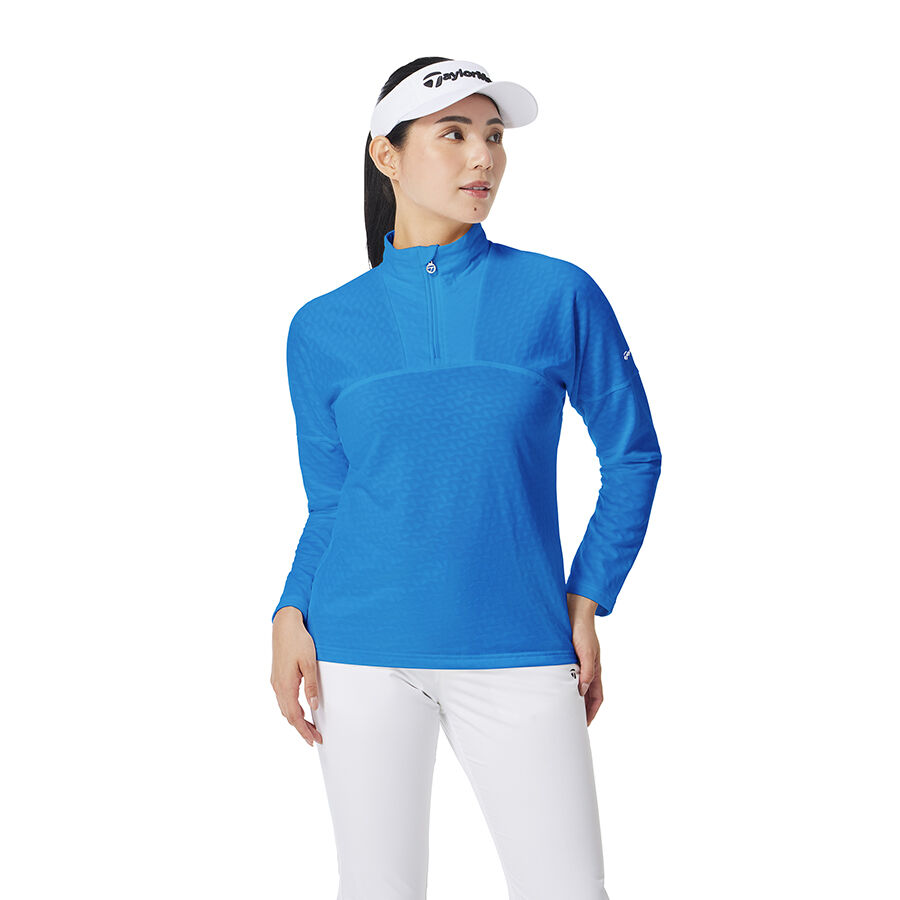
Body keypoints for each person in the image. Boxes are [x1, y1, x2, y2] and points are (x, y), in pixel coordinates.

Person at [270, 56, 662, 900]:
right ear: (386, 155)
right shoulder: (321, 328)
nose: (483, 157)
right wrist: (289, 609)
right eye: (452, 134)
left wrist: (587, 597)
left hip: (518, 642)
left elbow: (633, 454)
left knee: (567, 888)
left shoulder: (558, 294)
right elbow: (331, 501)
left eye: (493, 136)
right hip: (359, 651)